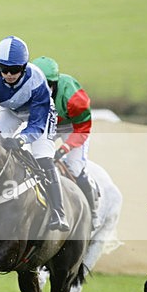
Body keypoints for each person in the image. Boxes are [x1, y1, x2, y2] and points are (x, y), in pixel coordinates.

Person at [0, 36, 69, 232]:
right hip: (10, 111)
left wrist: (21, 139)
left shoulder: (36, 79)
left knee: (43, 157)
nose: (9, 74)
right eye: (4, 69)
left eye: (15, 70)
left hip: (40, 113)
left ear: (24, 67)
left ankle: (58, 212)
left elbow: (36, 124)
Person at [32, 55, 100, 228]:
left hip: (72, 126)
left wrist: (65, 148)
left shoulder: (75, 98)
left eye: (46, 85)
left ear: (54, 83)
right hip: (46, 123)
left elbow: (83, 128)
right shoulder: (28, 90)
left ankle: (92, 213)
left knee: (75, 168)